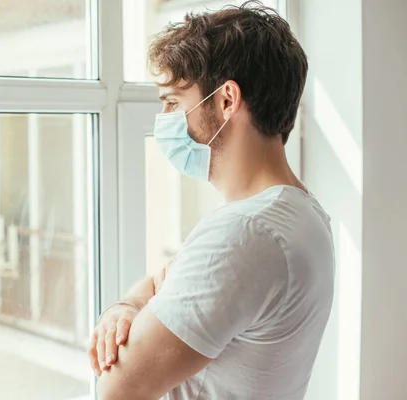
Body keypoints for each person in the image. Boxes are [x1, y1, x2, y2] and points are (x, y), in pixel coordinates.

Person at [87, 2, 335, 399]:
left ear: (226, 100)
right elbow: (156, 281)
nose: (165, 118)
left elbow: (117, 386)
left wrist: (138, 304)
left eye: (173, 102)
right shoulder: (301, 212)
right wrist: (128, 307)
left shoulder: (245, 233)